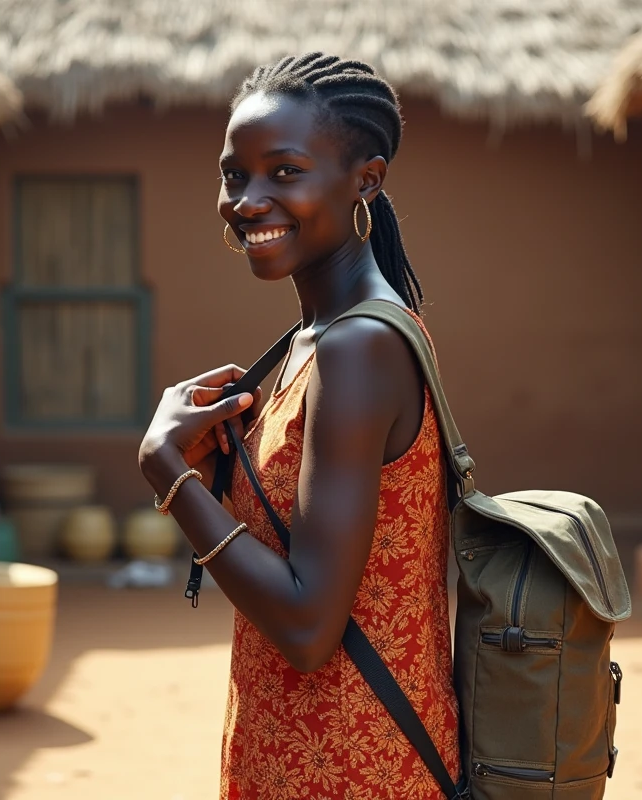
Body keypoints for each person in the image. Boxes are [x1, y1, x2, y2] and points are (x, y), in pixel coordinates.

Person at [138, 52, 460, 800]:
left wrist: (167, 470)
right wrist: (214, 469)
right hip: (298, 749)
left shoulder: (358, 346)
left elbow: (310, 627)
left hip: (350, 765)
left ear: (366, 180)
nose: (248, 201)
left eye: (285, 172)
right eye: (234, 175)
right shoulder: (316, 340)